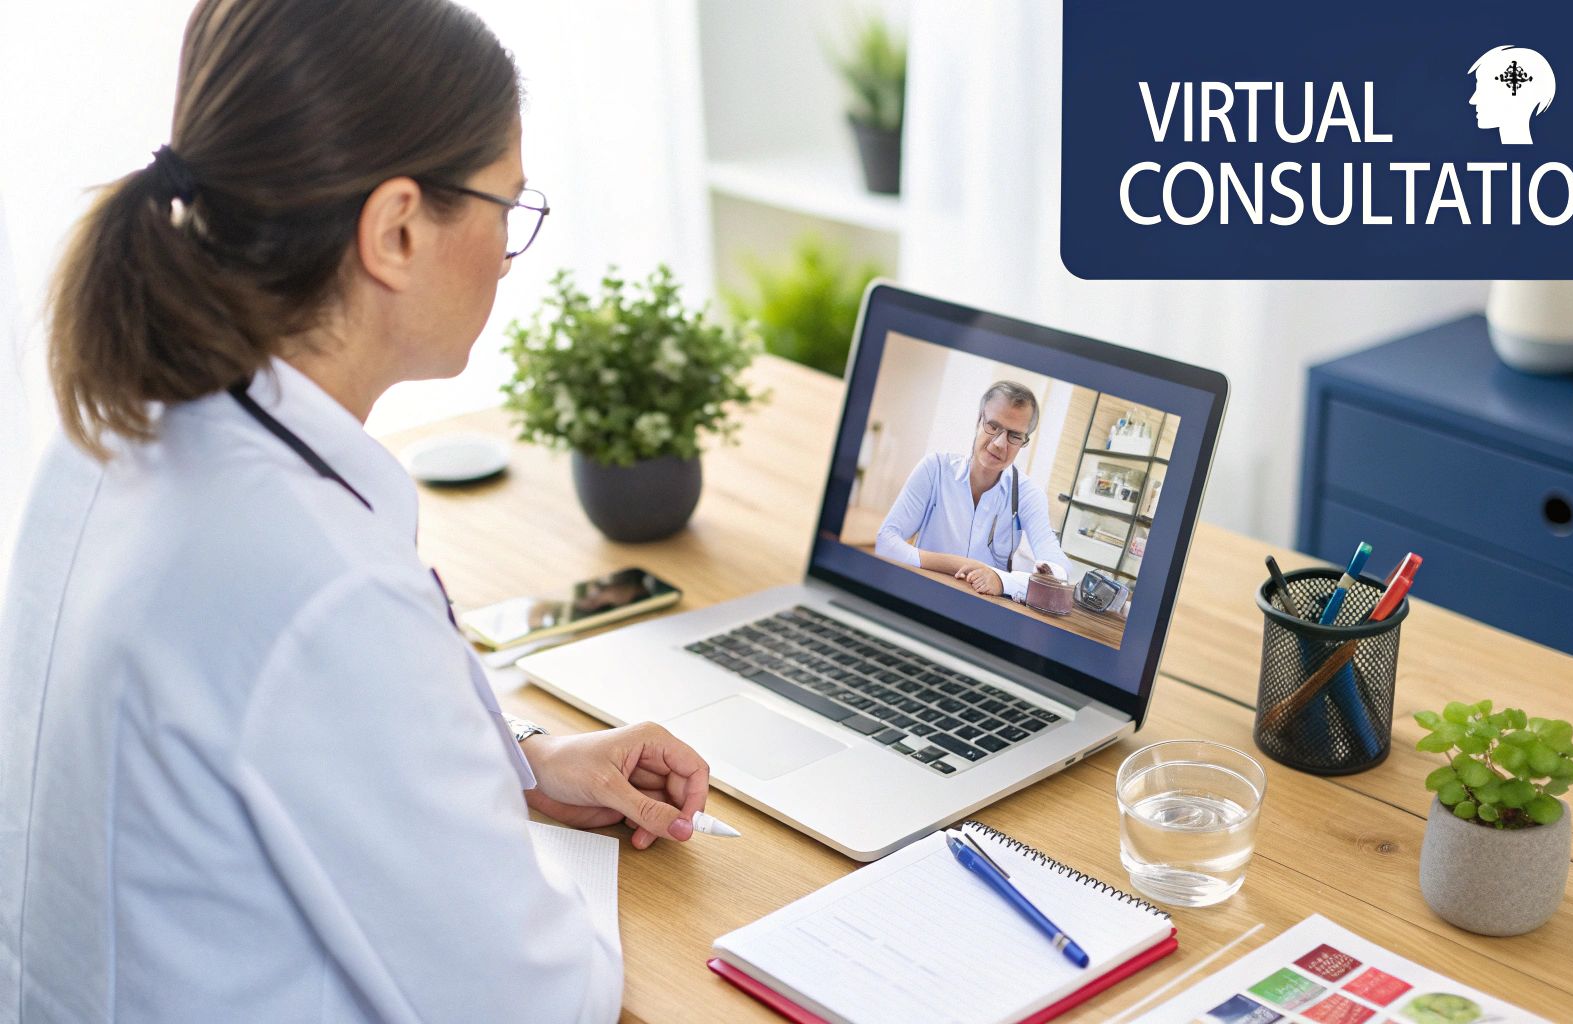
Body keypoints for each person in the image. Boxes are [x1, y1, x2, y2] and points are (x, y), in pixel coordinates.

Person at [0, 0, 710, 1019]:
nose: (508, 252)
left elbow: (296, 728)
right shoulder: (316, 580)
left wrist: (522, 763)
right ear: (396, 230)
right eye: (507, 206)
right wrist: (490, 836)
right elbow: (536, 1000)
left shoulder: (114, 430)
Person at [874, 380, 1069, 603]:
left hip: (980, 609)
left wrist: (1001, 581)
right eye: (993, 426)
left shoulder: (1028, 495)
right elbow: (885, 543)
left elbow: (1059, 574)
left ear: (1024, 442)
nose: (999, 443)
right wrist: (964, 566)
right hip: (919, 597)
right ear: (978, 421)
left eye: (1014, 436)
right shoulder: (935, 469)